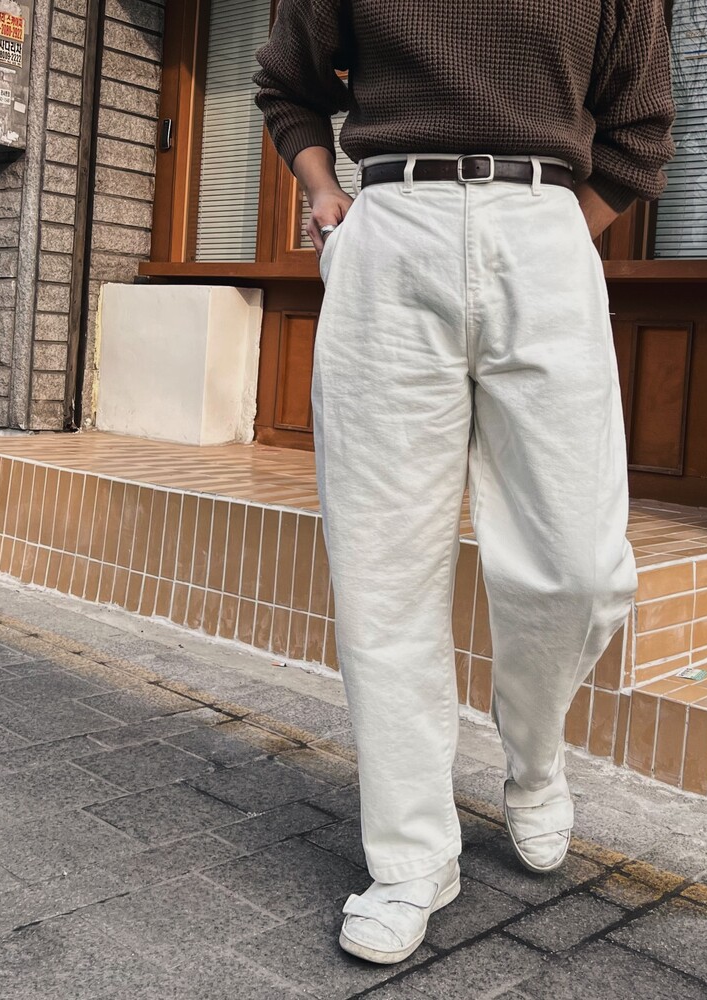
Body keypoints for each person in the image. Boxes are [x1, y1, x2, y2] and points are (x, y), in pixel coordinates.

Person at [253, 0, 675, 965]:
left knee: (579, 570)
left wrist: (551, 232)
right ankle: (412, 857)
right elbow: (287, 83)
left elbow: (640, 126)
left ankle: (535, 756)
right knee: (384, 567)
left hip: (545, 229)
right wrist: (325, 195)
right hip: (393, 230)